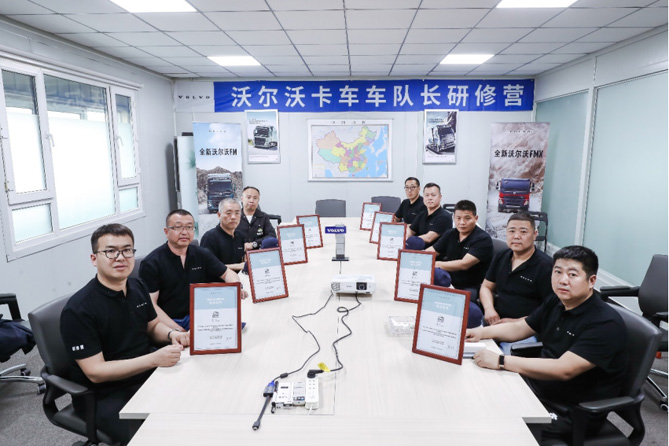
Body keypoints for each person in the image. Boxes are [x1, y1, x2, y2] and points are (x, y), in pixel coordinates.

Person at [466, 246, 628, 442]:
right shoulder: (556, 302)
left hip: (571, 410)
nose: (563, 280)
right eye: (557, 272)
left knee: (498, 426)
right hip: (538, 388)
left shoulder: (604, 323)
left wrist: (501, 361)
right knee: (480, 397)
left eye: (572, 274)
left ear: (591, 280)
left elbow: (564, 369)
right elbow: (519, 328)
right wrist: (479, 332)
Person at [61, 224, 190, 444]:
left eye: (127, 250)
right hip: (105, 394)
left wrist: (171, 335)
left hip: (146, 375)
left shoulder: (136, 286)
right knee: (162, 439)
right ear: (94, 259)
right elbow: (95, 372)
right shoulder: (79, 310)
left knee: (195, 407)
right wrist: (153, 359)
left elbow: (152, 326)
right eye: (110, 251)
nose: (120, 257)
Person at [139, 209, 247, 332]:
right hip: (171, 321)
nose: (184, 232)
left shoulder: (201, 253)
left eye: (189, 227)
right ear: (166, 231)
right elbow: (151, 306)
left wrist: (237, 287)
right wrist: (179, 331)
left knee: (237, 330)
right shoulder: (152, 263)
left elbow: (227, 273)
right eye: (178, 227)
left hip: (200, 315)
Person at [479, 212, 553, 353]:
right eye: (511, 231)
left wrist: (516, 322)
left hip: (526, 329)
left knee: (500, 359)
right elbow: (486, 287)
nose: (516, 236)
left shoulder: (546, 266)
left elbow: (551, 311)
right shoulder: (502, 256)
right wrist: (489, 309)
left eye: (523, 232)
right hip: (495, 322)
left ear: (535, 234)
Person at [201, 198, 245, 272]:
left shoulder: (240, 236)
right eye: (228, 213)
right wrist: (238, 266)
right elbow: (208, 266)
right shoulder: (209, 237)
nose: (233, 217)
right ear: (219, 215)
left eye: (237, 213)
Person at [404, 182, 452, 250]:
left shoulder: (444, 217)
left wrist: (411, 240)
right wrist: (406, 236)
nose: (430, 198)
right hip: (418, 251)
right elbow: (411, 230)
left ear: (440, 197)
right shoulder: (422, 214)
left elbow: (429, 238)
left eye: (433, 195)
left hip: (435, 254)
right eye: (427, 195)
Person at [237, 186, 278, 251]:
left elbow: (271, 235)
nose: (251, 201)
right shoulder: (235, 217)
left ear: (258, 200)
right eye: (248, 197)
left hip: (259, 252)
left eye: (255, 198)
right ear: (242, 199)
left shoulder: (264, 217)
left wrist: (254, 244)